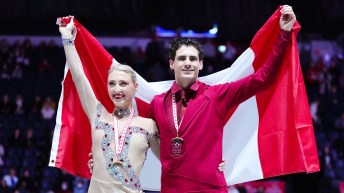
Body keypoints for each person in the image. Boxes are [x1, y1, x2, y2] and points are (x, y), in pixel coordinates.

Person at [59, 17, 226, 193]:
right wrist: (67, 40)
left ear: (135, 87)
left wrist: (212, 165)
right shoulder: (97, 114)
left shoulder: (149, 125)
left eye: (123, 84)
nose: (117, 89)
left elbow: (175, 162)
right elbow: (78, 77)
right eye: (112, 84)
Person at [145, 5, 296, 193]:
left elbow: (262, 78)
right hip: (172, 188)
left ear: (200, 64)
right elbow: (134, 133)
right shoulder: (158, 103)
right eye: (182, 58)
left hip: (211, 188)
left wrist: (283, 34)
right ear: (171, 63)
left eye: (193, 59)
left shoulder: (217, 95)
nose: (187, 63)